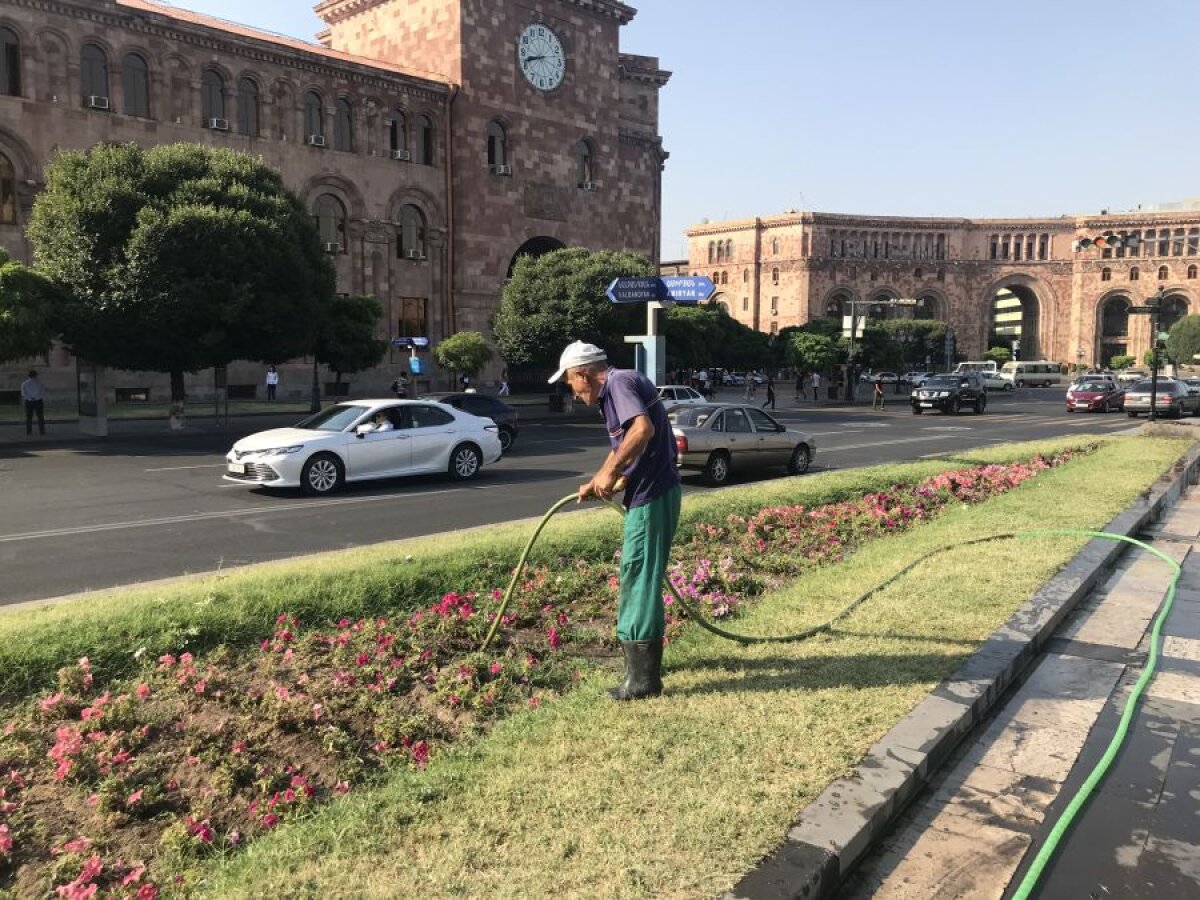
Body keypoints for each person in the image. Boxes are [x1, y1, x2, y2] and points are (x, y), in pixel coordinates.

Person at [549, 341, 681, 701]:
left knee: (638, 577)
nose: (573, 393)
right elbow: (636, 446)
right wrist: (608, 478)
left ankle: (642, 681)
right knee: (640, 575)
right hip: (651, 491)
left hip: (653, 496)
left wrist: (608, 471)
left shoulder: (618, 383)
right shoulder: (620, 387)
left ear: (583, 374)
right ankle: (642, 670)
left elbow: (642, 431)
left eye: (570, 384)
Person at [21, 369, 45, 436]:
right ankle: (42, 431)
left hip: (29, 402)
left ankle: (29, 431)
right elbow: (42, 392)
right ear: (35, 375)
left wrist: (30, 398)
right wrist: (36, 398)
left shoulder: (24, 383)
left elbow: (23, 394)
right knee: (40, 417)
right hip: (38, 401)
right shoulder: (40, 383)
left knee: (29, 417)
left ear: (28, 375)